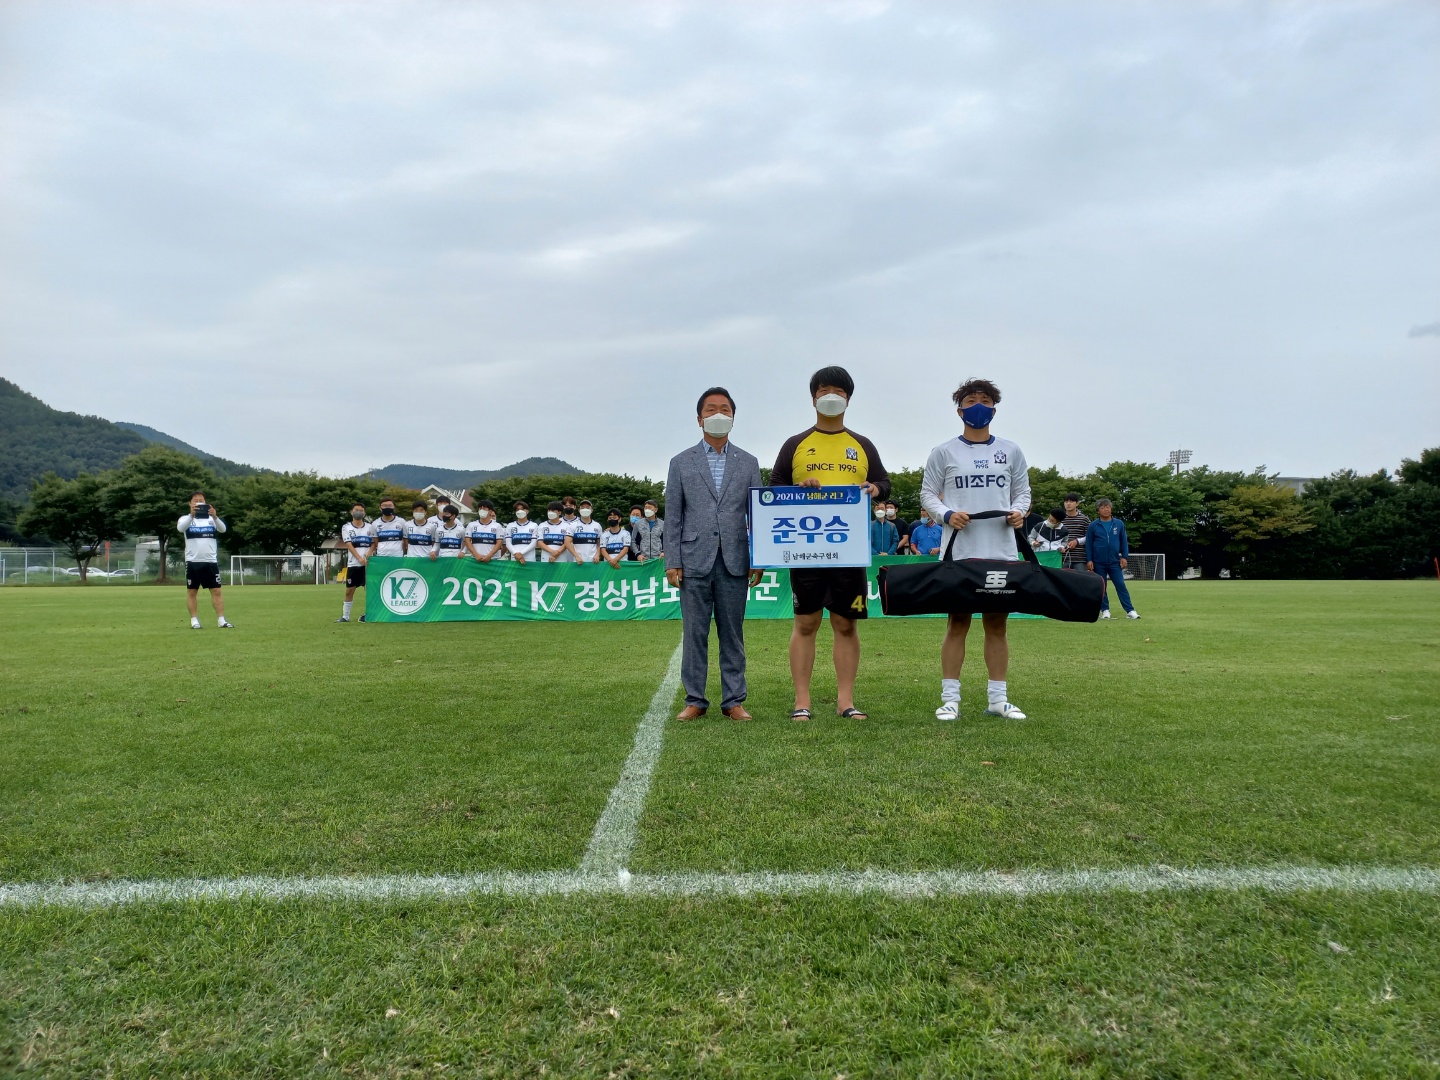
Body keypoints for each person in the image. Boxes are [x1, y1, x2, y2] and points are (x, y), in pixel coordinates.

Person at [770, 365, 891, 722]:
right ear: (813, 398)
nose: (831, 396)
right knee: (805, 623)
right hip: (806, 549)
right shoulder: (795, 444)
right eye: (824, 390)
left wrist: (875, 489)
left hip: (849, 550)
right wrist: (798, 489)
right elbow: (774, 487)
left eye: (838, 391)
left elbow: (884, 483)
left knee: (846, 624)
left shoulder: (862, 445)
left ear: (848, 399)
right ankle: (801, 701)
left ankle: (845, 702)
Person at [920, 377, 1031, 722]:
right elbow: (927, 494)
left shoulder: (1011, 451)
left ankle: (998, 699)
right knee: (957, 622)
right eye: (970, 401)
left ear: (994, 410)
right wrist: (946, 515)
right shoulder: (943, 452)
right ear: (959, 411)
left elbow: (1022, 493)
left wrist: (1019, 511)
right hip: (960, 552)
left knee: (997, 624)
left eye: (984, 401)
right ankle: (950, 700)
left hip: (1001, 551)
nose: (978, 406)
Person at [665, 387, 764, 721]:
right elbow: (673, 516)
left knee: (732, 634)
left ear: (733, 418)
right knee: (695, 633)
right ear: (699, 419)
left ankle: (733, 700)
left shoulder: (749, 462)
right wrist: (672, 561)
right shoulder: (681, 462)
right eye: (711, 409)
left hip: (736, 559)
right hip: (693, 559)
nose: (718, 414)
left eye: (724, 409)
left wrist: (758, 558)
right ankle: (695, 699)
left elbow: (757, 514)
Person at [178, 491, 233, 629]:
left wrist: (215, 516)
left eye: (201, 500)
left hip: (210, 561)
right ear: (190, 503)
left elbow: (223, 529)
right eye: (195, 500)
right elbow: (180, 528)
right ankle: (194, 621)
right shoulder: (185, 519)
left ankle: (221, 620)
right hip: (193, 561)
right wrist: (191, 515)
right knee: (192, 591)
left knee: (217, 591)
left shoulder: (211, 519)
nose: (198, 502)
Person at [1086, 498, 1140, 619]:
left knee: (1121, 585)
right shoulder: (1093, 525)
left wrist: (1124, 556)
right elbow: (1088, 544)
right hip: (1098, 562)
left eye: (1108, 507)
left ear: (1111, 509)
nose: (1106, 509)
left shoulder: (1119, 524)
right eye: (1102, 507)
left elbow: (1123, 541)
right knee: (1102, 587)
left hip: (1115, 561)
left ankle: (1130, 610)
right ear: (1098, 510)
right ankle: (1105, 610)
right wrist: (1089, 560)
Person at [337, 502, 375, 622]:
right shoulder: (346, 527)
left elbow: (374, 543)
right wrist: (359, 558)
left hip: (368, 565)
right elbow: (349, 544)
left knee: (369, 591)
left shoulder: (370, 527)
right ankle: (345, 616)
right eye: (356, 510)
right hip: (354, 564)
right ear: (351, 512)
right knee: (349, 591)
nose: (359, 512)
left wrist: (369, 553)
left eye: (361, 510)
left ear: (365, 513)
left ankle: (369, 614)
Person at [1061, 493, 1090, 570]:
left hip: (1079, 558)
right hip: (1062, 557)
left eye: (1071, 501)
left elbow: (1089, 537)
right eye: (1066, 501)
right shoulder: (1059, 519)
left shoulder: (1084, 519)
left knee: (1080, 577)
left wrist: (1077, 541)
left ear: (1077, 503)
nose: (1068, 504)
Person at [505, 500, 538, 565]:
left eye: (522, 509)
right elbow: (508, 543)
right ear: (515, 512)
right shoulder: (510, 525)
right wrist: (516, 554)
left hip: (530, 559)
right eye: (517, 510)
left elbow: (533, 543)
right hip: (515, 558)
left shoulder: (534, 525)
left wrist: (521, 553)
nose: (520, 511)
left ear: (527, 511)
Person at [632, 498, 664, 562]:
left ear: (655, 510)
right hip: (643, 559)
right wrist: (638, 554)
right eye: (645, 508)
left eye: (649, 507)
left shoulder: (663, 524)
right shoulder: (638, 524)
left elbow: (667, 541)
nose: (647, 510)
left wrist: (663, 552)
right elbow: (632, 540)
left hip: (659, 559)